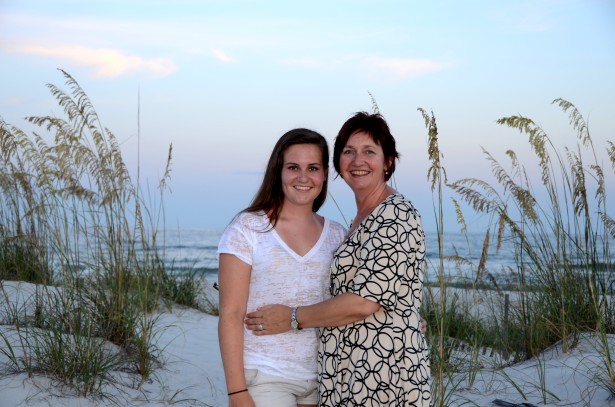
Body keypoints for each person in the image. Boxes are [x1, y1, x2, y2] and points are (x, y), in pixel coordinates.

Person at [245, 112, 432, 406]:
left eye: (369, 151)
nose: (358, 161)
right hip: (347, 374)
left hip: (382, 375)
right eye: (348, 152)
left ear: (388, 162)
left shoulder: (396, 214)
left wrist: (292, 318)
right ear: (338, 165)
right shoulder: (357, 222)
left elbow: (362, 302)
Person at [217, 128, 347, 407]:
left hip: (324, 378)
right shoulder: (248, 228)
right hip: (265, 376)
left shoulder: (338, 234)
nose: (303, 177)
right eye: (293, 167)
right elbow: (230, 313)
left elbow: (351, 301)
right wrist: (236, 392)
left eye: (312, 168)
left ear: (324, 174)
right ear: (278, 172)